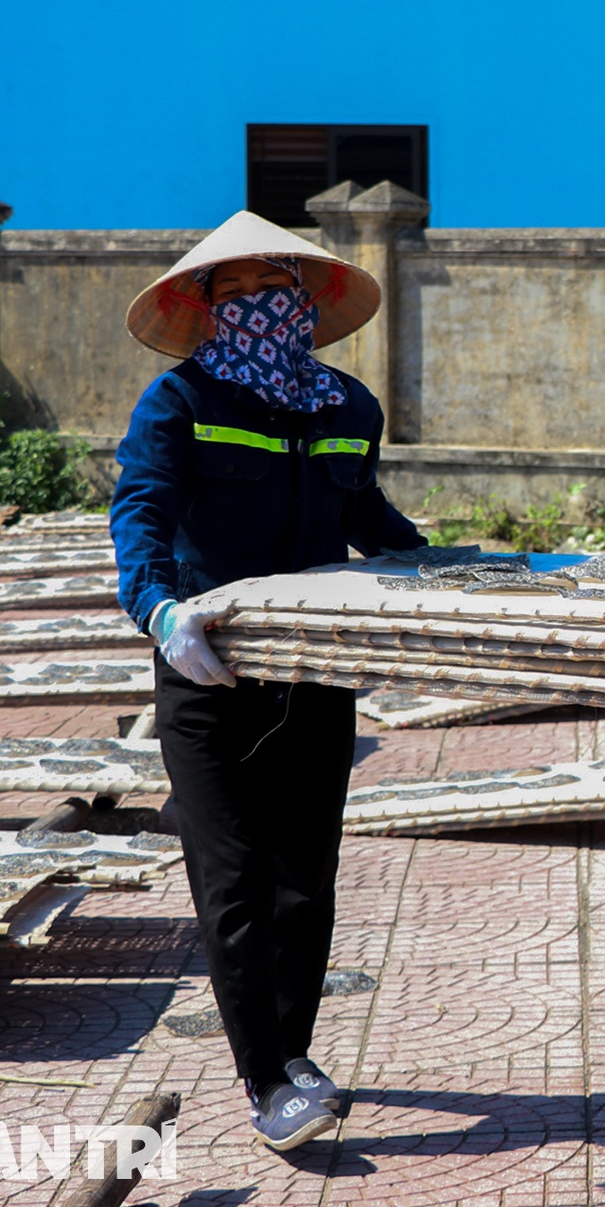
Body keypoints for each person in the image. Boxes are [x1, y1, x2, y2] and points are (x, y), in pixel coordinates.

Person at [111, 211, 425, 1150]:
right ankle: (262, 1082)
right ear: (204, 308)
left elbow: (365, 509)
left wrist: (448, 569)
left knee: (305, 880)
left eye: (270, 289)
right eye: (231, 293)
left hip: (314, 673)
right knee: (234, 881)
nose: (253, 306)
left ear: (306, 297)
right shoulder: (180, 403)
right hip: (209, 671)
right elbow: (141, 511)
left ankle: (293, 1053)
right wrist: (160, 612)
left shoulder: (349, 410)